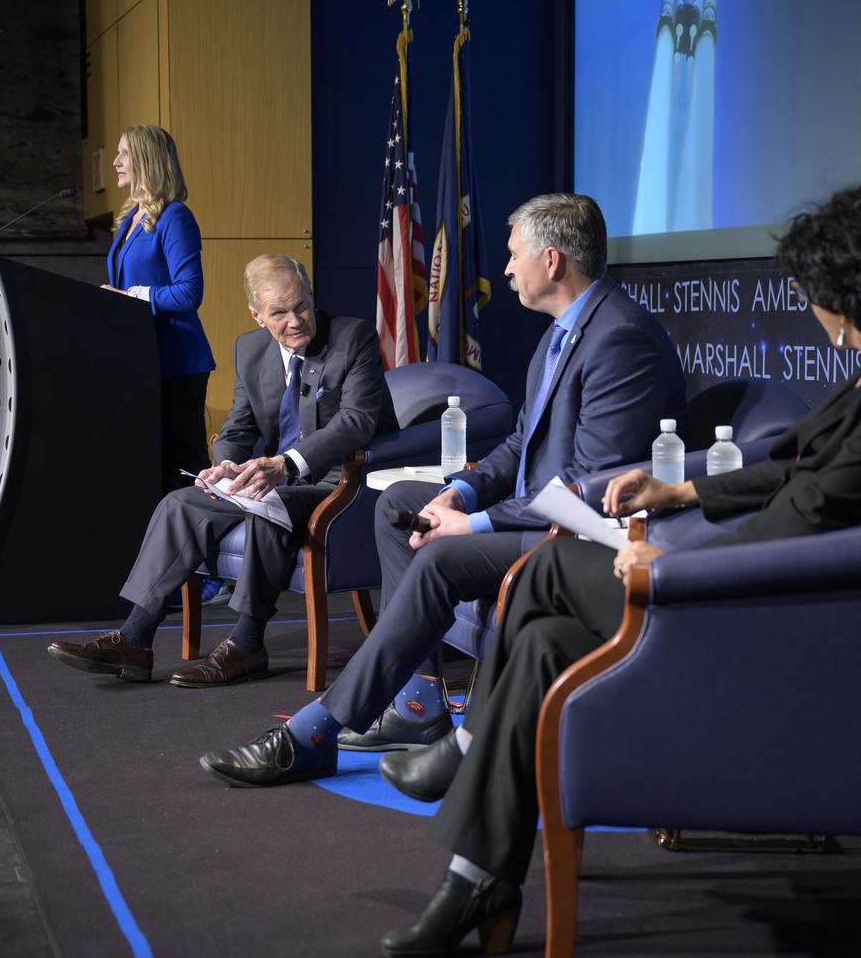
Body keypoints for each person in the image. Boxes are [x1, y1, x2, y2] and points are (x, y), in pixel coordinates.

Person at [373, 182, 861, 958]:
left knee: (550, 569)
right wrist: (686, 489)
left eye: (815, 291)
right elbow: (797, 467)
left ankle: (468, 744)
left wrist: (677, 567)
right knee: (543, 644)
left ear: (852, 289)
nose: (813, 307)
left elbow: (814, 512)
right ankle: (476, 878)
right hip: (787, 601)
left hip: (795, 628)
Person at [198, 193, 686, 788]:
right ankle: (418, 701)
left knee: (440, 557)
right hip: (538, 513)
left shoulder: (618, 339)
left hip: (578, 535)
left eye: (514, 256)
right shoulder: (566, 329)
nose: (505, 269)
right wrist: (460, 492)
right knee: (401, 503)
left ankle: (314, 732)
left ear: (552, 261)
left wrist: (476, 525)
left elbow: (586, 486)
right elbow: (518, 446)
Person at [49, 254, 397, 686]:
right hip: (269, 480)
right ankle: (135, 640)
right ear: (257, 315)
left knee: (267, 509)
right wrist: (226, 466)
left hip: (338, 484)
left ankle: (247, 645)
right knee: (180, 503)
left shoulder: (353, 338)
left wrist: (285, 464)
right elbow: (238, 426)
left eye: (301, 306)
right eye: (279, 313)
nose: (294, 321)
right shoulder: (249, 350)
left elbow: (356, 422)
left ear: (311, 296)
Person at [103, 124, 215, 495]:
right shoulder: (131, 218)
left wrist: (130, 296)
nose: (116, 162)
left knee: (180, 469)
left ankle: (193, 548)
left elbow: (189, 293)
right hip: (141, 361)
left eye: (124, 154)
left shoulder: (174, 217)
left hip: (176, 361)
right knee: (147, 467)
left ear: (147, 161)